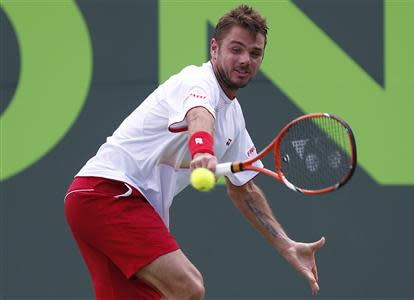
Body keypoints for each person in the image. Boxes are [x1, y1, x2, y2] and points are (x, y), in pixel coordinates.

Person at [65, 4, 325, 299]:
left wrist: (286, 245)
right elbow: (200, 115)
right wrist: (202, 148)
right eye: (236, 49)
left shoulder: (235, 118)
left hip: (95, 202)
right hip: (107, 193)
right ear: (214, 48)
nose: (245, 60)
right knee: (189, 287)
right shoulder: (197, 81)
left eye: (255, 53)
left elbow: (245, 190)